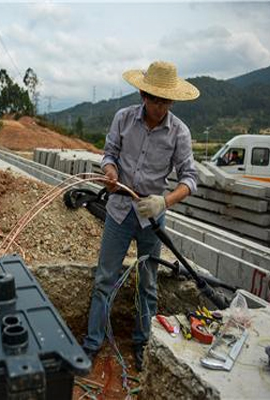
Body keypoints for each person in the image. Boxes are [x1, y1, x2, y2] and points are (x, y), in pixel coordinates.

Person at [82, 61, 199, 371]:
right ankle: (92, 344)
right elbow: (109, 153)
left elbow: (190, 178)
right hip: (119, 212)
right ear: (143, 94)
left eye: (165, 101)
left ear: (173, 100)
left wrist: (164, 202)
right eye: (154, 99)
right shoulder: (123, 119)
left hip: (151, 218)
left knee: (147, 283)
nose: (159, 107)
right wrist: (110, 170)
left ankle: (141, 343)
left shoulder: (179, 133)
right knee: (104, 279)